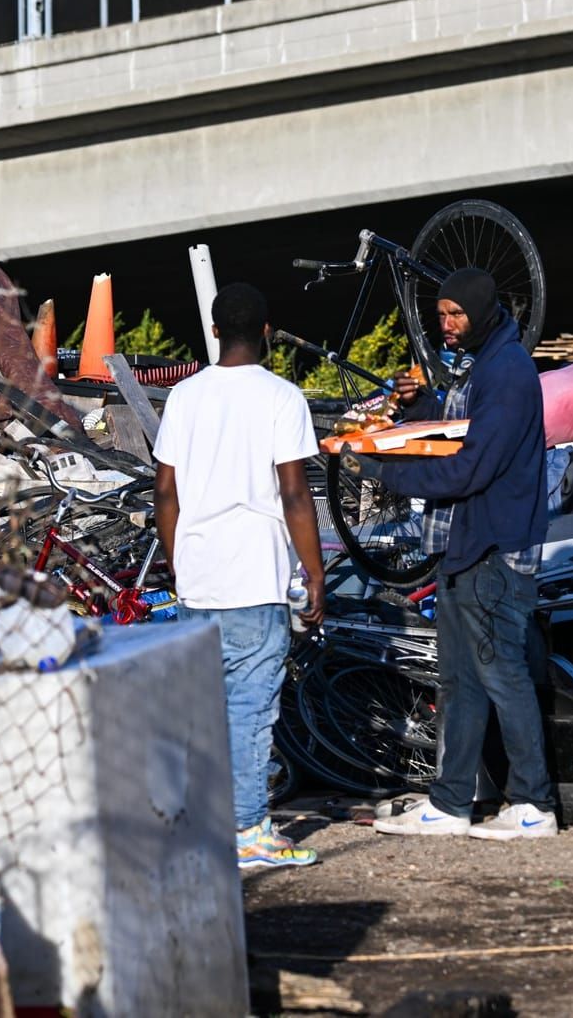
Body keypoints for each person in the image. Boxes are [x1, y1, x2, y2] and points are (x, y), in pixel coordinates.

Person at [352, 268, 555, 840]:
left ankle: (533, 802)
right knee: (460, 680)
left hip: (493, 547)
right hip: (463, 546)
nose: (447, 323)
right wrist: (420, 413)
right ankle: (450, 803)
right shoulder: (480, 366)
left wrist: (388, 469)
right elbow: (455, 437)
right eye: (441, 313)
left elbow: (473, 466)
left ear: (483, 310)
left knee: (501, 675)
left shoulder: (509, 372)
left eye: (456, 313)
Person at [153, 283, 327, 869]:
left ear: (215, 329)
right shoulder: (282, 397)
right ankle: (249, 831)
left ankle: (206, 825)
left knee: (203, 710)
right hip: (254, 577)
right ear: (268, 333)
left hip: (199, 580)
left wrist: (181, 563)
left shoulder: (182, 397)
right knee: (250, 711)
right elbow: (295, 493)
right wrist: (315, 573)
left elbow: (165, 491)